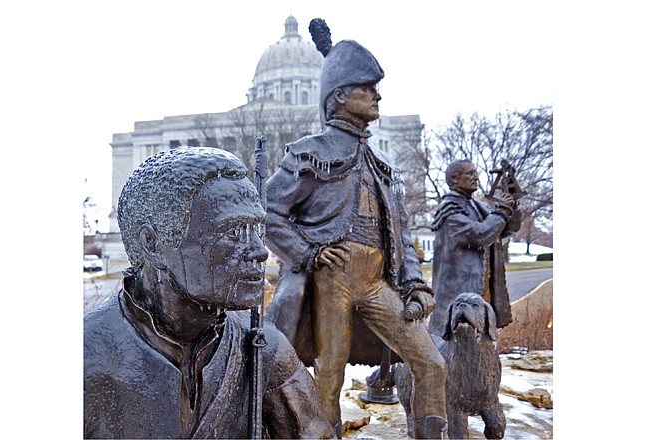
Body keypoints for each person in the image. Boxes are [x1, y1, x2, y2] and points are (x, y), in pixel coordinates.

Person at [265, 19, 447, 439]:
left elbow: (400, 236)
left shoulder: (381, 164)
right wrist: (307, 253)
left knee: (432, 364)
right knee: (329, 376)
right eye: (368, 87)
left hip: (376, 280)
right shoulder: (311, 153)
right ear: (340, 96)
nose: (378, 95)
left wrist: (415, 285)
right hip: (332, 279)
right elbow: (269, 213)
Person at [83, 147, 334, 439]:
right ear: (153, 244)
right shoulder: (86, 355)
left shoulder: (265, 351)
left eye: (257, 230)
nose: (260, 252)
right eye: (233, 232)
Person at [428, 159, 520, 337]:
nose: (476, 177)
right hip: (458, 294)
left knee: (481, 342)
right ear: (454, 179)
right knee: (452, 344)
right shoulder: (449, 209)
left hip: (481, 293)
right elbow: (480, 235)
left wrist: (512, 204)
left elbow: (508, 228)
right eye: (470, 173)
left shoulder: (478, 206)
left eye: (476, 172)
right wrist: (502, 211)